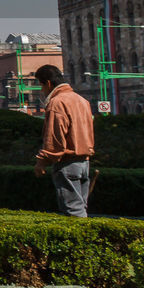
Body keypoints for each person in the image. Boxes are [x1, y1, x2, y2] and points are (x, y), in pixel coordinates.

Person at [33, 65, 95, 217]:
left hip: (67, 163)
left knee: (73, 211)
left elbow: (54, 138)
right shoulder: (82, 100)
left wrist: (42, 161)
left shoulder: (57, 103)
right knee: (81, 208)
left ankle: (81, 241)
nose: (42, 90)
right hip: (84, 162)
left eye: (41, 85)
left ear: (48, 83)